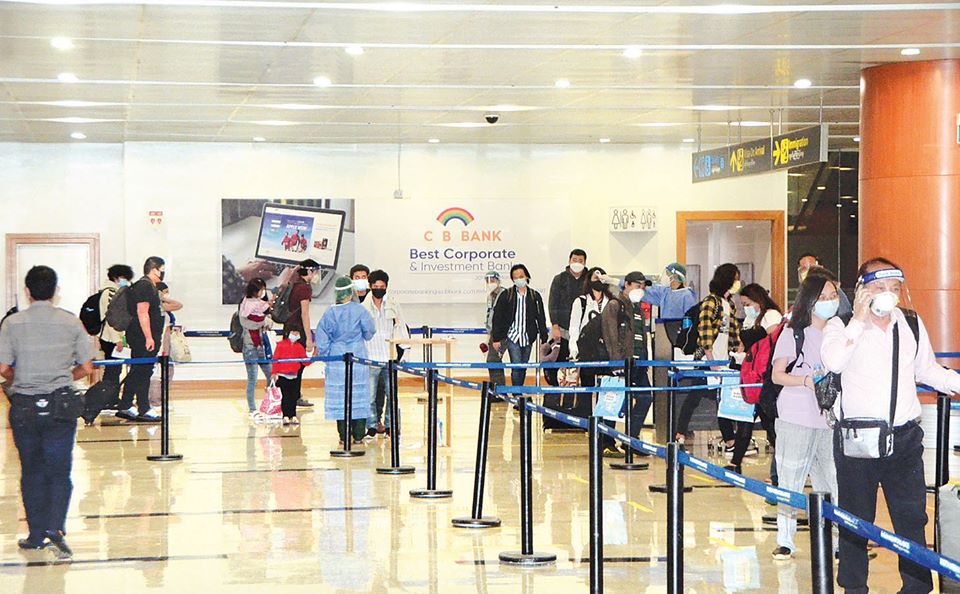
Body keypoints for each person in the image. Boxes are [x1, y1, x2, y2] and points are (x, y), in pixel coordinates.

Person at [822, 258, 960, 594]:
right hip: (857, 441)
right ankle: (854, 586)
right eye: (879, 287)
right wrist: (858, 320)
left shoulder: (909, 322)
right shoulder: (840, 325)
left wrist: (954, 382)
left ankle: (916, 587)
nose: (888, 294)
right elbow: (833, 361)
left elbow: (926, 370)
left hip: (904, 438)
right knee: (855, 520)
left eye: (894, 288)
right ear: (861, 290)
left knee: (912, 519)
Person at [0, 265, 96, 559]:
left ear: (27, 292)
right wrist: (64, 377)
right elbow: (87, 366)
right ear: (56, 291)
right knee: (59, 469)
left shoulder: (12, 323)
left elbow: (3, 367)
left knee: (31, 471)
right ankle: (56, 528)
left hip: (25, 406)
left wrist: (22, 379)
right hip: (60, 406)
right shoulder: (71, 322)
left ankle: (35, 534)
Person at [768, 268, 839, 561]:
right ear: (810, 300)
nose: (830, 301)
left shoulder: (839, 333)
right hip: (796, 415)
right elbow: (777, 375)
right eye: (823, 297)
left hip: (829, 418)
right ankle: (785, 540)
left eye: (833, 295)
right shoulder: (793, 333)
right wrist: (806, 381)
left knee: (832, 481)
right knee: (791, 479)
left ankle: (835, 540)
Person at [674, 263, 743, 444]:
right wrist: (710, 361)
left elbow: (732, 333)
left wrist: (738, 350)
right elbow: (704, 332)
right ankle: (682, 432)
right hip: (707, 359)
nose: (738, 283)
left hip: (723, 359)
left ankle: (728, 439)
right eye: (735, 279)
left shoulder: (730, 305)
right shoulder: (711, 302)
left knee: (720, 398)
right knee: (696, 396)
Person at [724, 283, 782, 471]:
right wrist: (739, 356)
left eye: (748, 304)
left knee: (769, 424)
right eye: (743, 304)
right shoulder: (750, 319)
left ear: (758, 300)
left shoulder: (771, 316)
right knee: (745, 419)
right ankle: (735, 462)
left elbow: (773, 341)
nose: (746, 308)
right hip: (751, 374)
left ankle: (781, 466)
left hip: (765, 376)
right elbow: (744, 344)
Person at [316, 276, 376, 445]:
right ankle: (358, 435)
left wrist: (328, 354)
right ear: (351, 292)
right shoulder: (360, 310)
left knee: (340, 397)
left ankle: (343, 435)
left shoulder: (329, 313)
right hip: (358, 356)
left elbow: (322, 337)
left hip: (337, 358)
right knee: (359, 394)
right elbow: (370, 331)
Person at [599, 271, 654, 456]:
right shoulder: (615, 305)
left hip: (638, 363)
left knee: (645, 397)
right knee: (614, 401)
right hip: (621, 363)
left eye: (643, 286)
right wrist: (616, 363)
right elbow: (610, 336)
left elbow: (641, 336)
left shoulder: (638, 308)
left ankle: (631, 439)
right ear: (627, 285)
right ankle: (606, 441)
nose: (641, 289)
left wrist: (645, 360)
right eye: (638, 285)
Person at [116, 256, 165, 423]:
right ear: (154, 269)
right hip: (142, 337)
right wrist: (149, 337)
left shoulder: (149, 286)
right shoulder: (144, 286)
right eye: (162, 269)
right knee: (143, 371)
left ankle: (125, 404)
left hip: (145, 336)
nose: (163, 273)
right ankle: (144, 408)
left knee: (139, 370)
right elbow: (142, 312)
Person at [362, 269, 410, 436]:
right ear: (370, 286)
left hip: (390, 357)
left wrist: (406, 351)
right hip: (370, 358)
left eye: (382, 287)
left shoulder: (393, 304)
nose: (379, 289)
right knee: (370, 396)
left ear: (386, 287)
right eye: (376, 286)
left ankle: (390, 425)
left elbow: (401, 326)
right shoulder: (363, 307)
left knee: (392, 395)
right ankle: (371, 426)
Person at [491, 264, 548, 387]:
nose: (519, 279)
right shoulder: (506, 295)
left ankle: (519, 390)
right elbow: (497, 317)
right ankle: (517, 393)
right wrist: (496, 338)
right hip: (513, 336)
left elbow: (541, 317)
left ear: (527, 276)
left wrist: (544, 337)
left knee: (523, 366)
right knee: (516, 366)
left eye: (521, 276)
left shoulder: (534, 296)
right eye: (515, 277)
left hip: (528, 337)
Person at [547, 249, 588, 386]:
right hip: (563, 330)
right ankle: (555, 393)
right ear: (569, 261)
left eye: (580, 261)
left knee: (582, 367)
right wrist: (555, 326)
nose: (577, 263)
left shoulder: (588, 280)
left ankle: (581, 396)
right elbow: (553, 303)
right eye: (574, 260)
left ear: (585, 262)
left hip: (583, 332)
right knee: (558, 363)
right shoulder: (559, 279)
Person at [284, 259, 318, 408]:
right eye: (315, 272)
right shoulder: (304, 288)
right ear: (309, 271)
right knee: (298, 365)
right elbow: (305, 314)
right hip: (298, 330)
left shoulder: (294, 284)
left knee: (292, 365)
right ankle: (293, 397)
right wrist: (309, 338)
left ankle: (293, 396)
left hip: (289, 329)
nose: (316, 275)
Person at [239, 279, 274, 415]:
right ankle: (252, 408)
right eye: (261, 289)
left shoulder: (261, 304)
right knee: (252, 378)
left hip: (261, 345)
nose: (263, 292)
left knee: (272, 375)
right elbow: (247, 323)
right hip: (250, 346)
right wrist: (263, 322)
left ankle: (271, 404)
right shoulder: (245, 304)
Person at [97, 264, 134, 391]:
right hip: (110, 337)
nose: (126, 281)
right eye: (124, 278)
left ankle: (110, 396)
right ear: (115, 277)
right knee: (112, 370)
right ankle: (108, 396)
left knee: (114, 369)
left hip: (111, 336)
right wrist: (116, 339)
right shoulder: (111, 292)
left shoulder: (111, 291)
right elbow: (111, 318)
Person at [271, 326, 312, 425]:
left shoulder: (299, 347)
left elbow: (305, 361)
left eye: (297, 333)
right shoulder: (281, 345)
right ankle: (285, 416)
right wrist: (274, 372)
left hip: (294, 375)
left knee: (293, 396)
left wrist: (314, 356)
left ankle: (293, 415)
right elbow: (275, 359)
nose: (296, 335)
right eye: (294, 332)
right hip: (283, 375)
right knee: (286, 396)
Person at [483, 271, 506, 386]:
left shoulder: (504, 294)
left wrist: (498, 337)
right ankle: (497, 388)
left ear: (498, 281)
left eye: (492, 280)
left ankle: (499, 389)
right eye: (487, 281)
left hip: (502, 333)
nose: (490, 283)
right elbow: (489, 314)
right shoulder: (490, 296)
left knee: (493, 359)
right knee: (493, 360)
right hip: (493, 333)